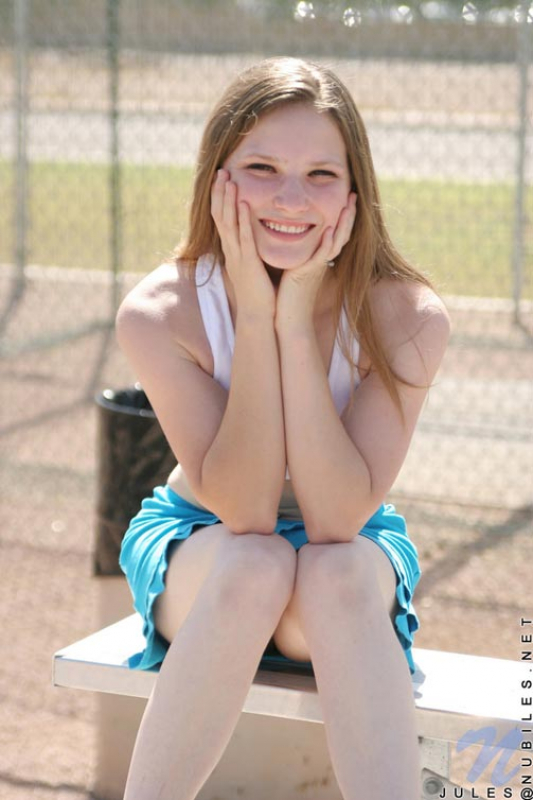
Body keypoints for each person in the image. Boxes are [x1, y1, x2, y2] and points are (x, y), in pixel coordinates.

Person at [116, 56, 450, 800]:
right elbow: (244, 511)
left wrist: (295, 321)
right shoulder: (161, 311)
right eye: (261, 166)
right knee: (256, 562)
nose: (290, 199)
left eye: (321, 176)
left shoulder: (407, 316)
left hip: (349, 541)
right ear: (217, 179)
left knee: (331, 574)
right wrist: (251, 310)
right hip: (203, 539)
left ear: (355, 191)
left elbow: (335, 521)